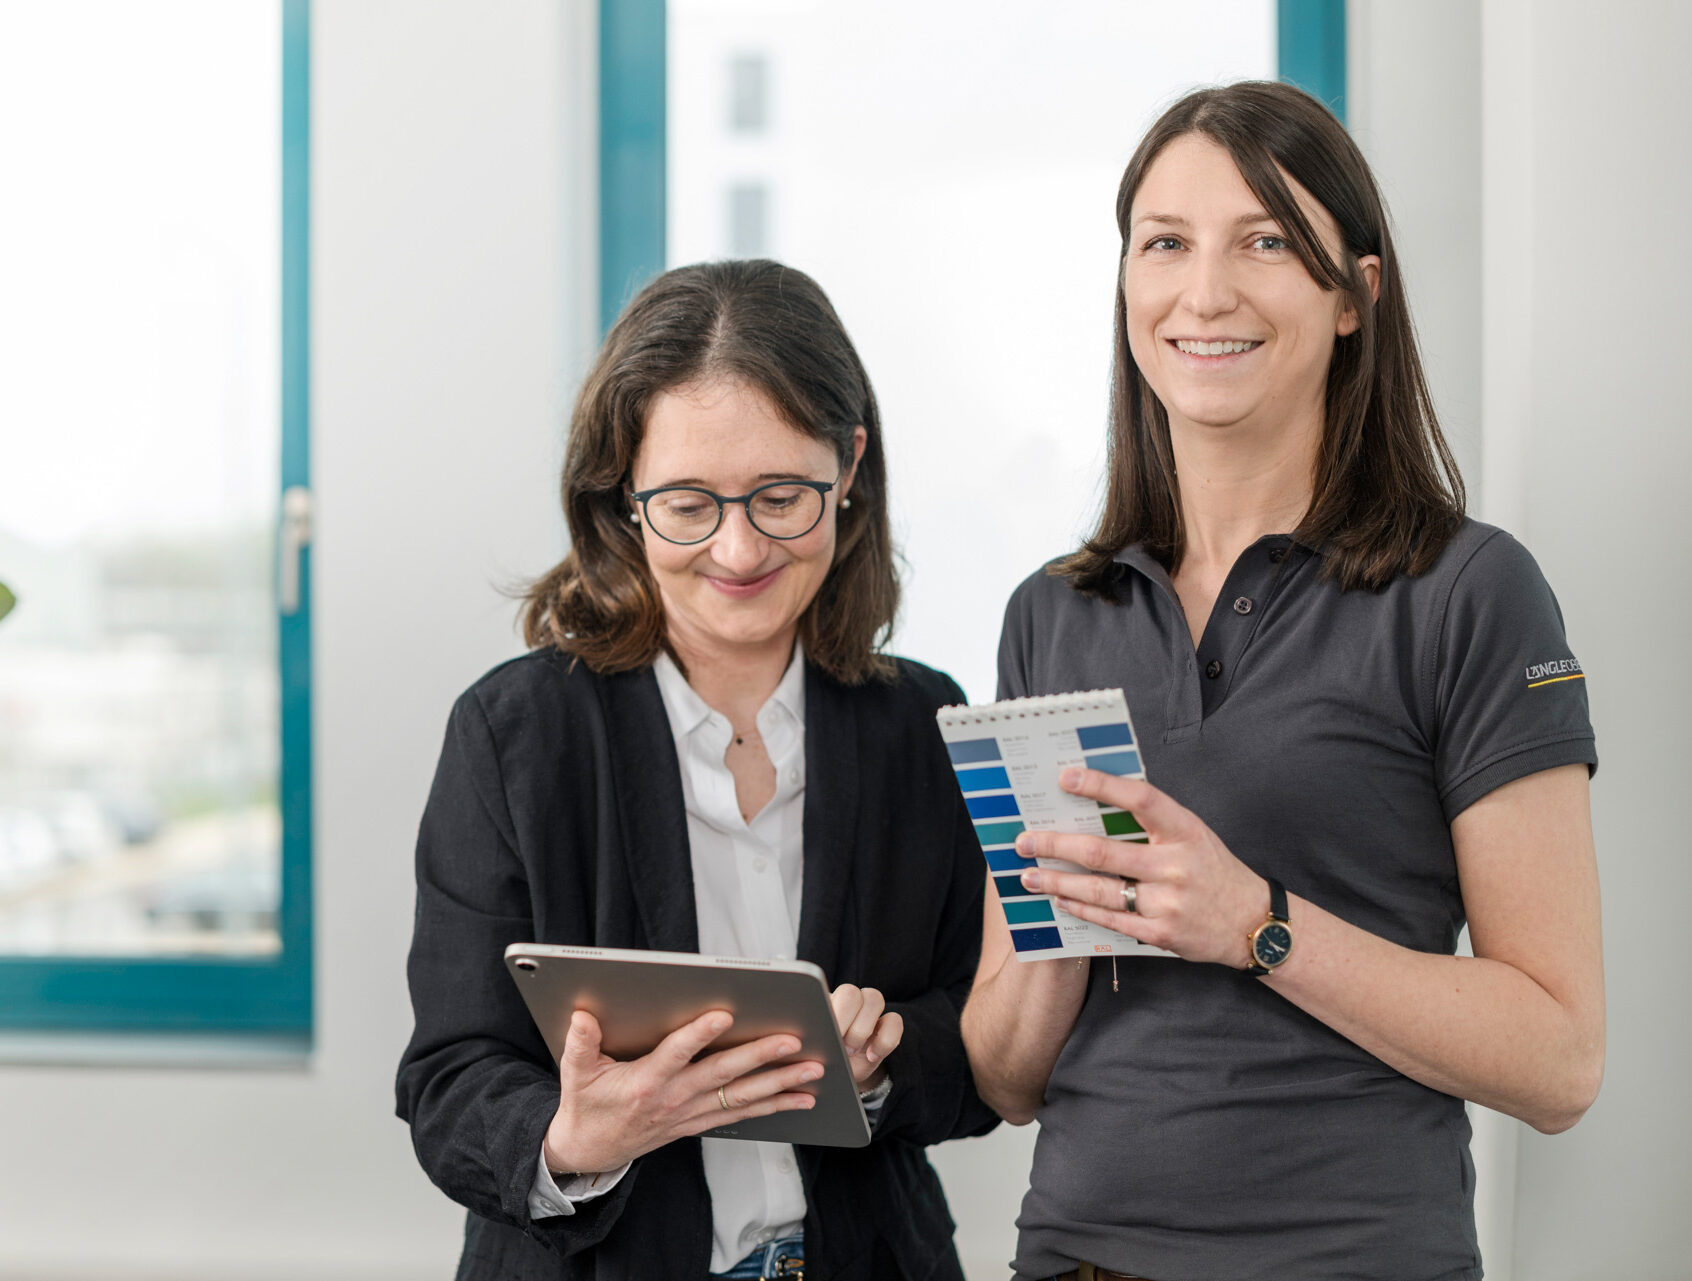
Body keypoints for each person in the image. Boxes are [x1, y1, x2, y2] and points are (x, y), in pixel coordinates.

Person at [960, 81, 1603, 1281]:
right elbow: (1005, 1078)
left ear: (1355, 293)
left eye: (1265, 242)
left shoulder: (1469, 593)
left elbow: (1559, 1060)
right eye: (1167, 245)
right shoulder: (1054, 613)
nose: (1206, 292)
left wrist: (1252, 924)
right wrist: (1065, 920)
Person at [396, 259, 997, 1281]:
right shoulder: (514, 734)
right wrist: (573, 1136)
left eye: (780, 496)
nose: (738, 548)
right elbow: (450, 1076)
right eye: (685, 503)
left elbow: (984, 1053)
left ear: (849, 466)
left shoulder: (925, 724)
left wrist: (881, 1065)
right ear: (621, 494)